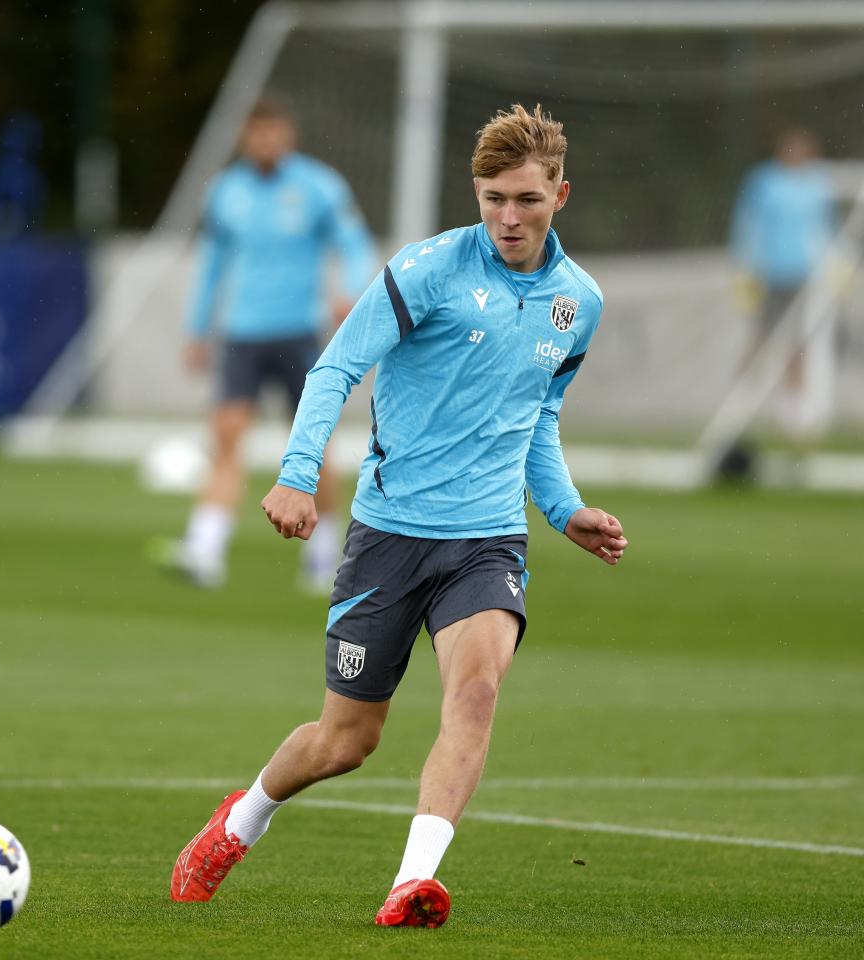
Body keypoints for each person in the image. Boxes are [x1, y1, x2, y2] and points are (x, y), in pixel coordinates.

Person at [169, 104, 628, 927]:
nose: (508, 217)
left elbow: (539, 417)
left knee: (478, 692)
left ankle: (410, 884)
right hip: (388, 534)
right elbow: (336, 366)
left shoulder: (578, 303)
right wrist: (297, 475)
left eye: (526, 198)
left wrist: (563, 510)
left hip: (487, 538)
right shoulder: (428, 270)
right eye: (492, 198)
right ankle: (241, 821)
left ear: (562, 193)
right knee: (346, 742)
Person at [156, 96, 376, 591]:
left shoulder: (318, 186)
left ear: (288, 135)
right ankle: (205, 550)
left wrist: (352, 289)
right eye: (258, 133)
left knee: (315, 449)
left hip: (299, 333)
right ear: (244, 137)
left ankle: (324, 557)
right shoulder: (224, 192)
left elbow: (355, 242)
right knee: (226, 439)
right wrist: (197, 328)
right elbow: (212, 264)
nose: (267, 142)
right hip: (241, 334)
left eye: (274, 132)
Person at [729, 127, 836, 444]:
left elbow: (825, 227)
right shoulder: (765, 180)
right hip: (768, 273)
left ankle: (793, 412)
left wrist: (833, 263)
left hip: (803, 275)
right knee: (760, 337)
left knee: (798, 343)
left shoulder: (817, 184)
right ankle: (740, 399)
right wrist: (744, 266)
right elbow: (747, 222)